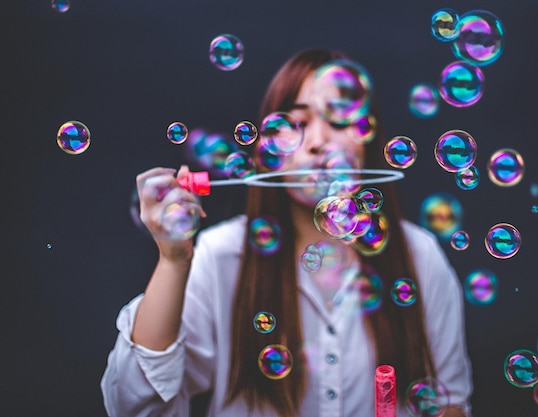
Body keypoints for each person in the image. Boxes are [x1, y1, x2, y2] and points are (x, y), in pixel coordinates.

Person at [101, 48, 473, 417]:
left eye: (340, 121)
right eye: (296, 124)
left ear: (367, 140)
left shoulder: (419, 257)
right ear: (268, 154)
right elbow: (135, 409)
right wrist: (173, 259)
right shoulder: (221, 256)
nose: (318, 142)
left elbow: (451, 404)